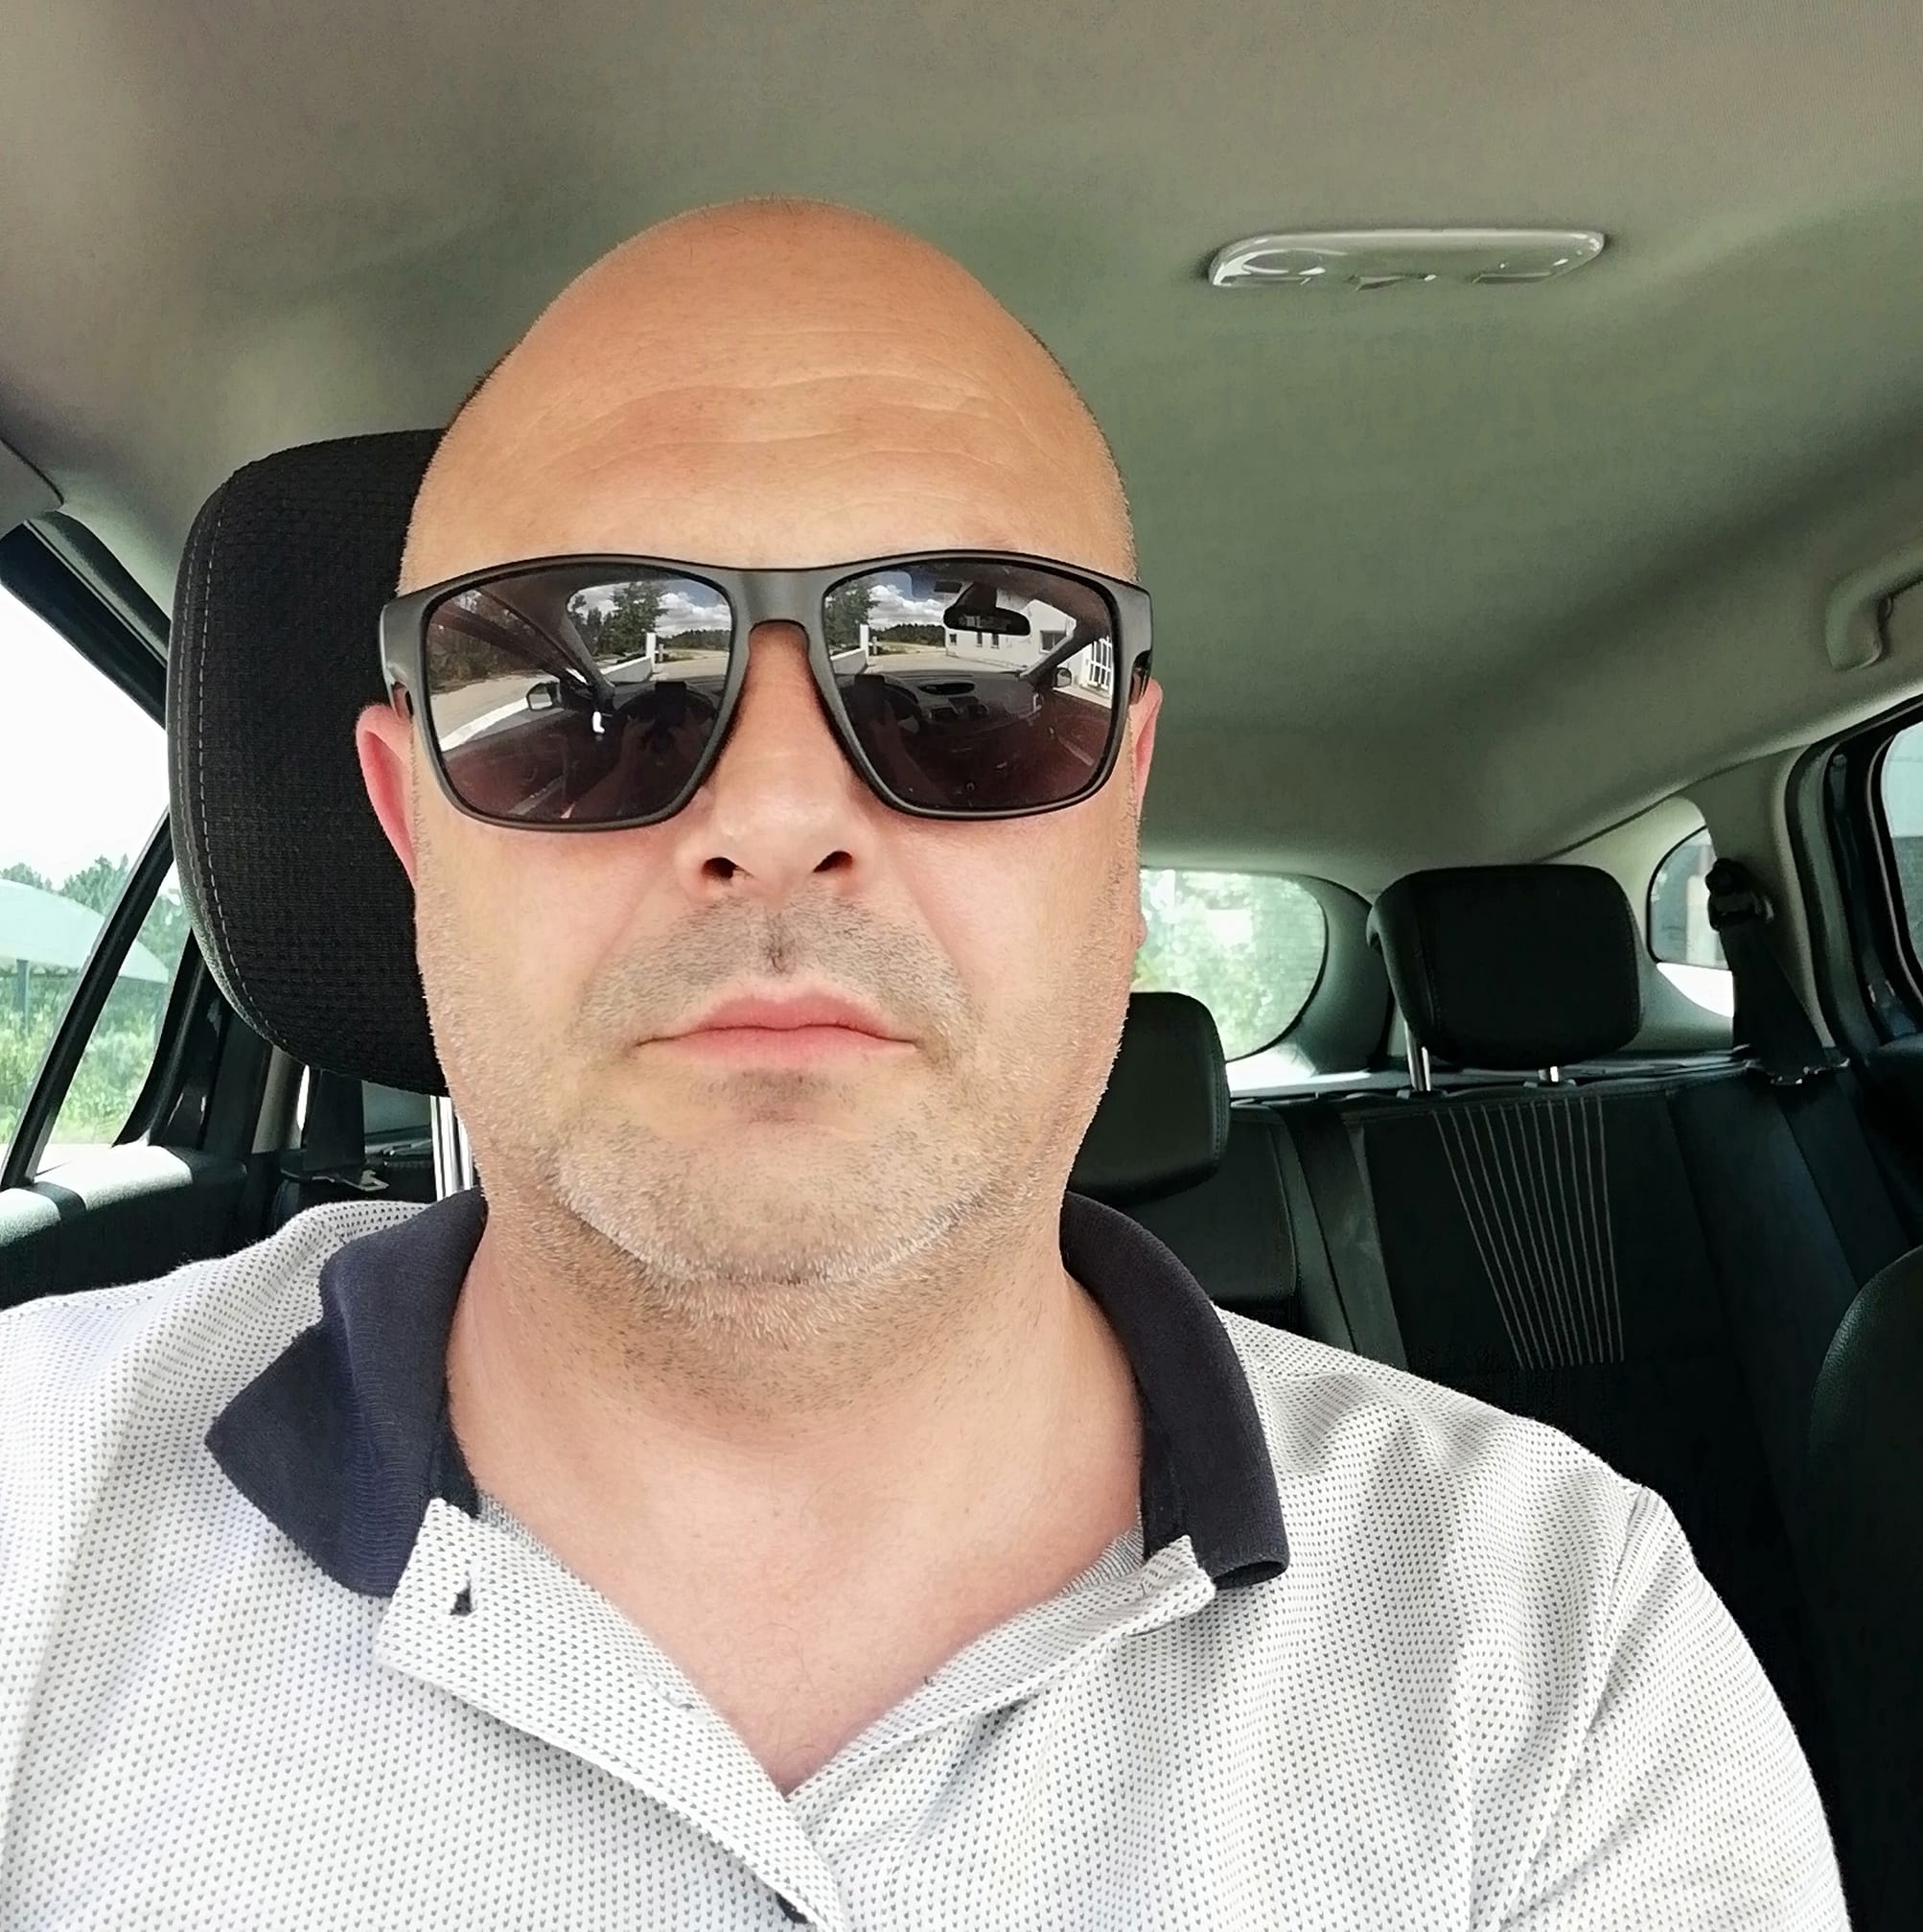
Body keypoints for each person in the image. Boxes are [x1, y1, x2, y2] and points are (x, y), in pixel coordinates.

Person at [0, 198, 1846, 1929]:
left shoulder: (1555, 1658)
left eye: (971, 681)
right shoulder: (28, 1518)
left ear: (1120, 804)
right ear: (413, 822)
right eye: (580, 688)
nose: (775, 817)